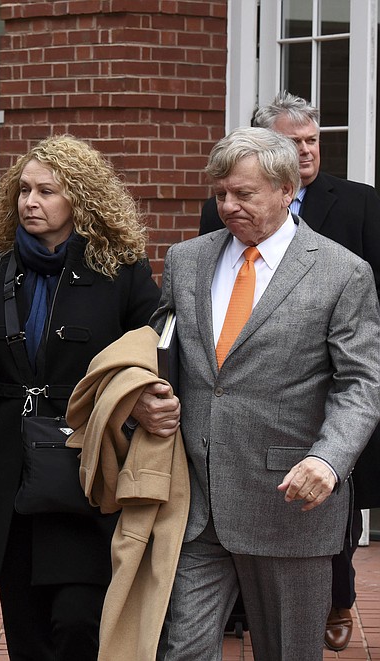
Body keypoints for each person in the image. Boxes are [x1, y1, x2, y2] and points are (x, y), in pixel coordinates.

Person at [139, 127, 380, 660]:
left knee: (287, 652)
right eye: (220, 193)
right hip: (196, 499)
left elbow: (360, 383)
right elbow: (159, 348)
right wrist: (145, 395)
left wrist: (330, 458)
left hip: (290, 501)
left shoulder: (343, 273)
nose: (228, 206)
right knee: (183, 649)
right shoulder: (187, 260)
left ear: (287, 189)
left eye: (243, 194)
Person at [0, 134, 162, 661]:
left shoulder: (119, 270)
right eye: (24, 190)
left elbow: (154, 349)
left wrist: (147, 401)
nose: (30, 202)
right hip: (8, 466)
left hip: (85, 464)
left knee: (78, 622)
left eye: (47, 191)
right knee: (26, 628)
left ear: (78, 199)